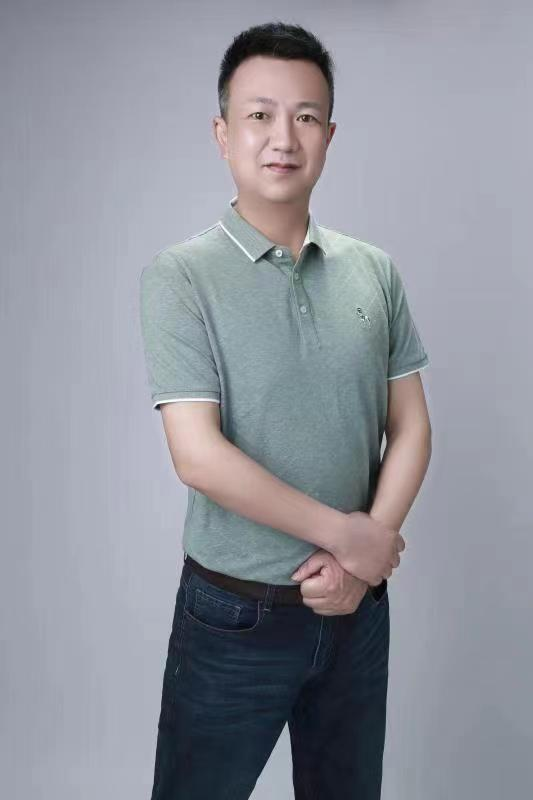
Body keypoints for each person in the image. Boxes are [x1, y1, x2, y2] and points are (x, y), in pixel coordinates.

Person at [139, 20, 432, 800]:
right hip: (234, 615)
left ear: (328, 136)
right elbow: (197, 455)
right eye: (259, 115)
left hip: (356, 613)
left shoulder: (373, 270)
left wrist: (360, 562)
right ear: (222, 134)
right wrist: (348, 536)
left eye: (305, 116)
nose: (282, 137)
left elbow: (410, 426)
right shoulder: (180, 276)